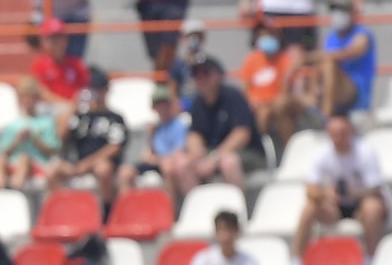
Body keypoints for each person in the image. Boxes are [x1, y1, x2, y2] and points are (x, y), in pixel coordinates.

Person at [297, 113, 387, 257]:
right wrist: (327, 193)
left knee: (372, 207)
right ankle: (298, 259)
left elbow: (376, 188)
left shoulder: (365, 152)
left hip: (360, 207)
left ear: (351, 131)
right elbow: (310, 189)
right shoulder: (322, 154)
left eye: (342, 133)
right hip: (335, 208)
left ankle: (372, 258)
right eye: (334, 134)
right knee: (309, 208)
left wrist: (354, 193)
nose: (338, 138)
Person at [170, 57, 260, 191]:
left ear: (218, 75)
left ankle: (238, 203)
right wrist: (196, 153)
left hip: (246, 153)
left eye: (205, 73)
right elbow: (194, 134)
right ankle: (197, 202)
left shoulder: (234, 96)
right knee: (182, 164)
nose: (201, 79)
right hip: (213, 153)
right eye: (196, 75)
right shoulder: (198, 102)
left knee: (228, 162)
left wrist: (214, 158)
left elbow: (242, 134)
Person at [47, 72, 128, 206]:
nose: (96, 94)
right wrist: (72, 108)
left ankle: (107, 211)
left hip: (98, 162)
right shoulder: (81, 117)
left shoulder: (114, 118)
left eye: (99, 90)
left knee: (103, 169)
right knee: (52, 171)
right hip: (77, 162)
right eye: (93, 90)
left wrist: (88, 163)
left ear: (106, 91)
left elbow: (115, 146)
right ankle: (64, 207)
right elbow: (61, 137)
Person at [117, 85, 192, 199]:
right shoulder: (153, 127)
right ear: (153, 108)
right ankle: (126, 206)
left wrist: (156, 159)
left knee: (168, 167)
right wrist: (151, 137)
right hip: (154, 162)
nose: (162, 108)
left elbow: (178, 152)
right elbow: (147, 154)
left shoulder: (180, 125)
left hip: (166, 162)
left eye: (164, 104)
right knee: (125, 172)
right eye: (158, 105)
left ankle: (171, 206)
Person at [240, 17, 305, 144]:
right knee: (262, 115)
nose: (266, 38)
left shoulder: (285, 59)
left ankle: (289, 148)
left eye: (269, 35)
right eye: (262, 35)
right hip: (258, 105)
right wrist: (252, 103)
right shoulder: (251, 60)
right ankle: (261, 150)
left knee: (278, 107)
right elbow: (245, 89)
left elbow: (287, 91)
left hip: (277, 104)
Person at [0, 77, 62, 191]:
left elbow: (52, 150)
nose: (28, 100)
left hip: (38, 164)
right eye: (25, 97)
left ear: (37, 99)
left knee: (24, 158)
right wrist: (18, 140)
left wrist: (34, 138)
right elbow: (5, 150)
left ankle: (16, 189)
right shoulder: (14, 124)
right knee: (0, 160)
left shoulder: (46, 122)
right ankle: (0, 190)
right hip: (14, 163)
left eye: (31, 97)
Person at [320, 0, 377, 119]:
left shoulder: (363, 34)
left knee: (328, 63)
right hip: (335, 91)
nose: (337, 14)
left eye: (342, 10)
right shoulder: (330, 37)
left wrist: (321, 57)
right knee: (285, 104)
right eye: (334, 10)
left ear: (352, 12)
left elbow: (353, 51)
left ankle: (325, 114)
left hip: (356, 93)